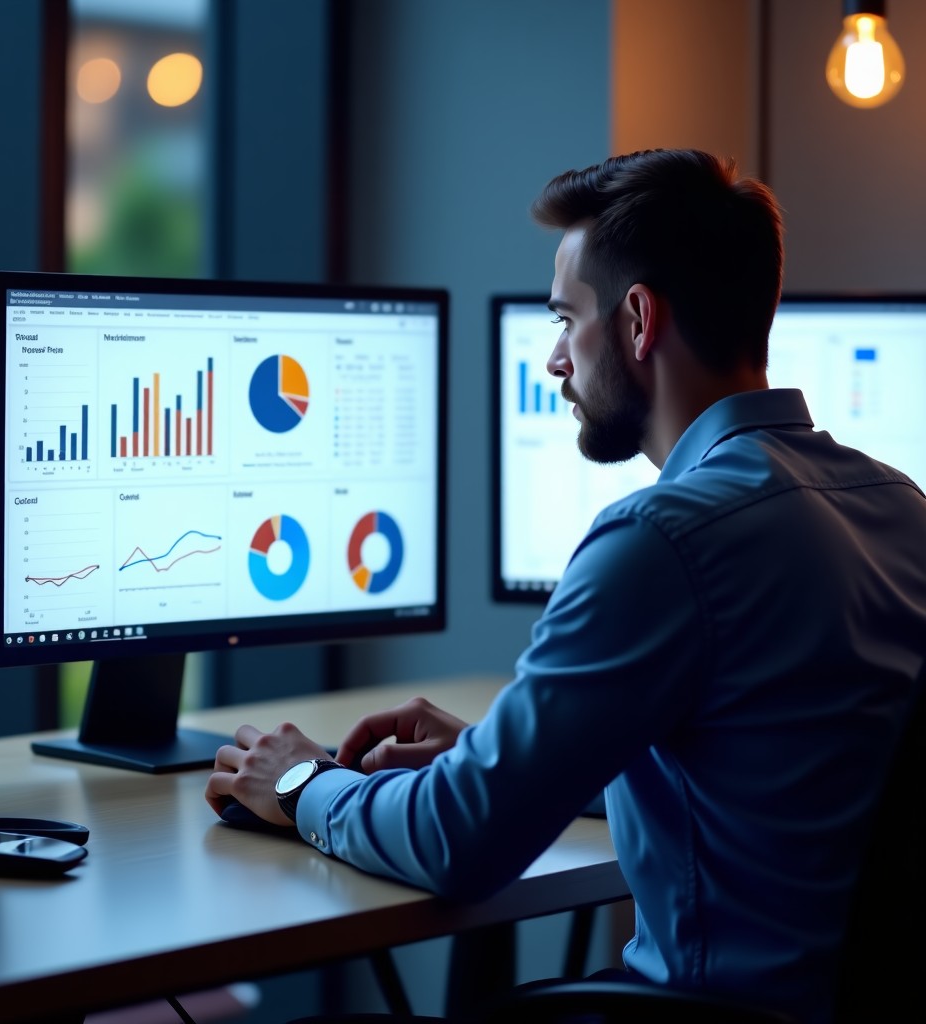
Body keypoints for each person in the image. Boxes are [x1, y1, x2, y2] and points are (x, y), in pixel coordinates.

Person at [205, 149, 926, 1024]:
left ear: (635, 321)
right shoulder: (897, 504)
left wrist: (299, 785)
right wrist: (504, 758)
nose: (553, 360)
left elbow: (458, 844)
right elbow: (782, 772)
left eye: (564, 319)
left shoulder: (661, 539)